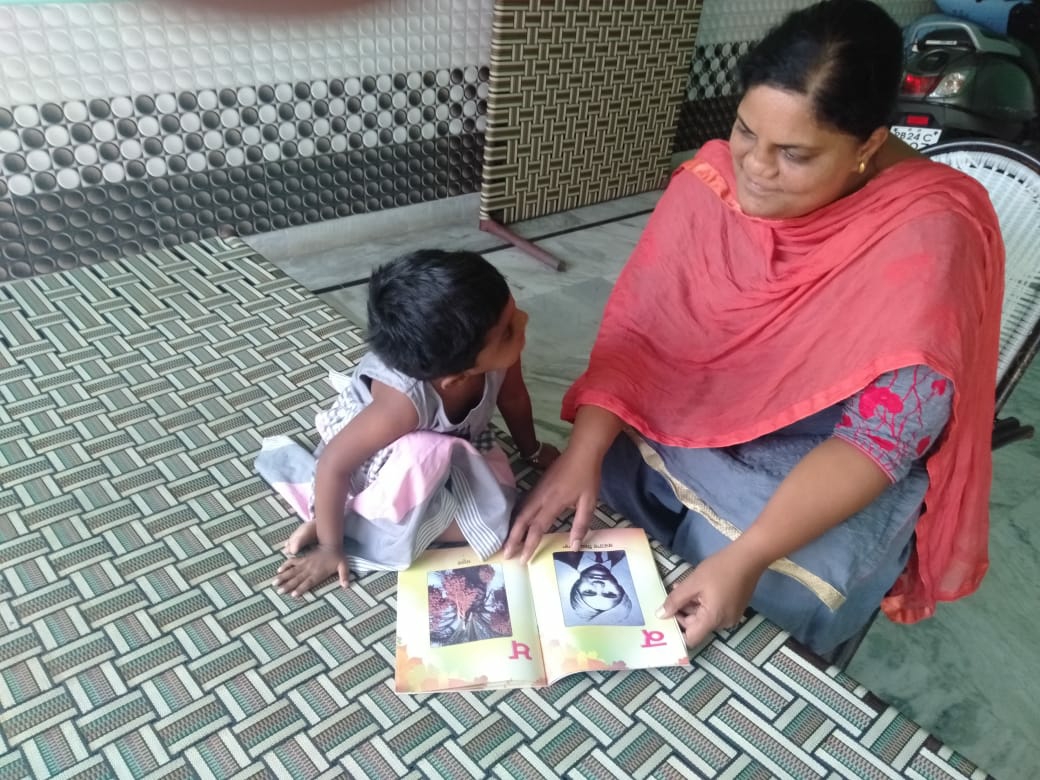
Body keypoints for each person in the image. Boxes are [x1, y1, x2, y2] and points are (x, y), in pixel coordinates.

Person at [505, 0, 1005, 655]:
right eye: (745, 131)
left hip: (818, 458)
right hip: (683, 418)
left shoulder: (930, 238)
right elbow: (642, 335)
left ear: (868, 145)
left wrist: (749, 555)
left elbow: (879, 439)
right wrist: (582, 451)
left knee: (755, 603)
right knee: (581, 518)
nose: (756, 169)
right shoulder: (713, 183)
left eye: (794, 154)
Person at [262, 249, 559, 597]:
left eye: (513, 308)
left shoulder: (495, 353)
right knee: (437, 474)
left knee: (495, 509)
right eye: (508, 330)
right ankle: (343, 522)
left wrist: (531, 450)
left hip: (454, 445)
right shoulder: (401, 405)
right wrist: (331, 548)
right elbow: (334, 464)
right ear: (457, 380)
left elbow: (514, 398)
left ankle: (357, 518)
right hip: (380, 462)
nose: (523, 320)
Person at [552, 550, 642, 626]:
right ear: (620, 588)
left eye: (589, 591)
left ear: (576, 585)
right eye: (610, 593)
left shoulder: (558, 554)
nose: (599, 585)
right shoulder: (629, 552)